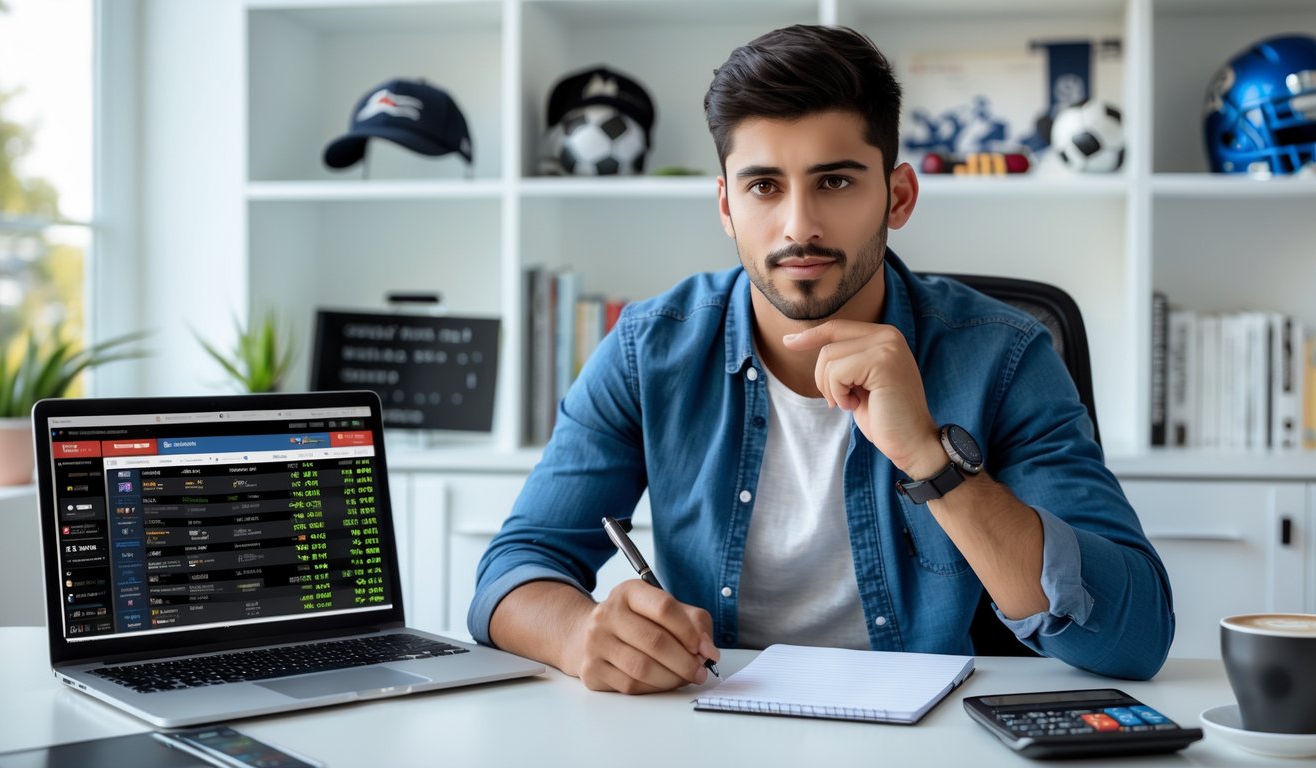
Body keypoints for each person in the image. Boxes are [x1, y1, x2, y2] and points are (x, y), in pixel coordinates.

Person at [469, 24, 1174, 693]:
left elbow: (1133, 636)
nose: (798, 223)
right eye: (763, 186)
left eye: (834, 182)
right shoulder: (646, 348)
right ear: (724, 204)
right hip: (710, 729)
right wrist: (581, 635)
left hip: (935, 744)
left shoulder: (1005, 352)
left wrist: (930, 459)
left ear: (896, 197)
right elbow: (514, 570)